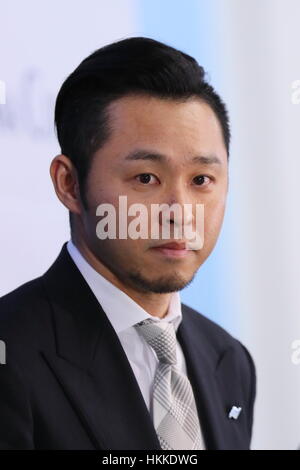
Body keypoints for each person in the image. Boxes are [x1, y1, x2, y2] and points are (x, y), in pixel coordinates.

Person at [0, 37, 256, 450]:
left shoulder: (229, 360)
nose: (180, 211)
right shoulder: (11, 353)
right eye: (145, 179)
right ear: (69, 184)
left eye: (201, 181)